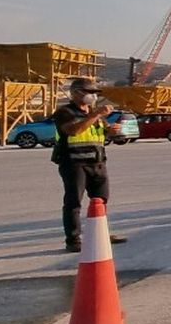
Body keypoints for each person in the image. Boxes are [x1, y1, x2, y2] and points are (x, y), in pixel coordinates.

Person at [52, 78, 127, 252]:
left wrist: (112, 131)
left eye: (95, 93)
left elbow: (101, 134)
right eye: (90, 93)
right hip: (74, 163)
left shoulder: (94, 114)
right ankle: (73, 239)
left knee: (100, 201)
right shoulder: (65, 112)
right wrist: (96, 115)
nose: (93, 96)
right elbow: (73, 130)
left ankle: (99, 233)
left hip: (97, 162)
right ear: (76, 93)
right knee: (73, 202)